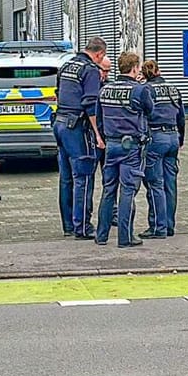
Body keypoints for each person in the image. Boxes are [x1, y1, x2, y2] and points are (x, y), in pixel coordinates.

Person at [94, 52, 153, 247]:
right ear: (135, 68)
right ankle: (125, 237)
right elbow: (150, 110)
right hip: (131, 146)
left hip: (111, 144)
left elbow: (99, 117)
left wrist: (106, 136)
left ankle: (101, 235)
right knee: (127, 190)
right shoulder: (139, 90)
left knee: (108, 189)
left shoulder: (105, 90)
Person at [54, 39, 108, 239]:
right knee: (83, 177)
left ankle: (68, 225)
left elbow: (58, 93)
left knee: (66, 178)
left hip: (60, 123)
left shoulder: (67, 65)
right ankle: (83, 227)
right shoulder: (90, 69)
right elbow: (90, 103)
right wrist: (97, 133)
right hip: (77, 127)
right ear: (99, 54)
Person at [141, 59, 185, 237]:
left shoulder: (146, 90)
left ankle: (157, 227)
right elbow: (181, 116)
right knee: (170, 184)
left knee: (154, 184)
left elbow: (142, 115)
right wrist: (180, 139)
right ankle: (169, 225)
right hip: (173, 136)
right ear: (159, 71)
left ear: (144, 74)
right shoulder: (173, 89)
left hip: (155, 137)